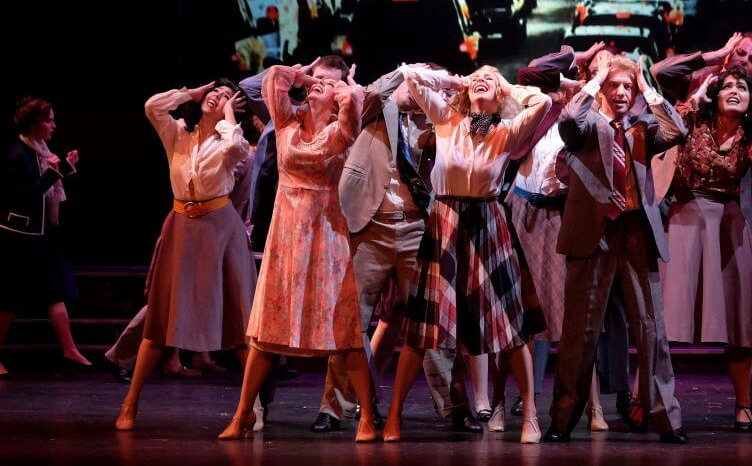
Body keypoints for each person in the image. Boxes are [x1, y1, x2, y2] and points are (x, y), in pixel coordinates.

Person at [382, 65, 551, 444]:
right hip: (445, 224)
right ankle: (394, 416)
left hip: (488, 224)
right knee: (423, 328)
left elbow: (542, 101)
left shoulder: (507, 131)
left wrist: (506, 86)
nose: (482, 79)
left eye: (491, 78)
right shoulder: (447, 119)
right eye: (478, 75)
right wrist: (452, 82)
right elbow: (410, 75)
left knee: (510, 328)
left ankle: (531, 415)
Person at [312, 66, 481, 434]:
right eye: (416, 84)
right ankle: (335, 407)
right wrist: (407, 73)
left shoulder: (440, 120)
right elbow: (374, 91)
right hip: (369, 227)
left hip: (417, 229)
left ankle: (454, 407)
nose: (417, 92)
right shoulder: (376, 107)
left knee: (433, 322)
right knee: (351, 320)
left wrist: (458, 96)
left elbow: (473, 140)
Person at [219, 64, 374, 440]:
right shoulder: (286, 122)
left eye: (328, 85)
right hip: (286, 237)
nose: (319, 85)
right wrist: (309, 78)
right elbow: (274, 78)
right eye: (316, 83)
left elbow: (356, 100)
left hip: (326, 236)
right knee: (265, 331)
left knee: (345, 332)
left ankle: (368, 417)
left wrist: (340, 89)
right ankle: (242, 414)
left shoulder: (341, 131)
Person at [545, 52, 688, 445]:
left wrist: (646, 88)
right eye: (615, 85)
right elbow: (568, 120)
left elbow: (676, 131)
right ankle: (562, 420)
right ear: (601, 89)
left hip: (636, 232)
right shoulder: (586, 126)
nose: (622, 92)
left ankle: (666, 417)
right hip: (593, 232)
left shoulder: (643, 128)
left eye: (627, 87)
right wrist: (596, 79)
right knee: (580, 330)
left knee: (652, 326)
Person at [652, 32, 752, 422]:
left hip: (730, 217)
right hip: (686, 212)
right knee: (669, 314)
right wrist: (715, 56)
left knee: (736, 313)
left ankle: (749, 399)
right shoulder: (700, 91)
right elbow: (661, 72)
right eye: (740, 53)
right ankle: (652, 400)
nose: (743, 61)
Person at [115, 80, 256, 430]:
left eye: (226, 95)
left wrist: (227, 115)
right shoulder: (178, 132)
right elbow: (152, 106)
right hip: (182, 227)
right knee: (162, 318)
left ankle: (248, 409)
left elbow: (237, 148)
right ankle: (130, 403)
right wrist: (190, 93)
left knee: (238, 320)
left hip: (220, 228)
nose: (217, 96)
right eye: (214, 91)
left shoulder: (228, 140)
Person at [504, 44, 608, 431]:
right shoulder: (539, 108)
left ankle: (593, 405)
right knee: (523, 312)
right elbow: (528, 73)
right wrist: (573, 62)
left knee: (571, 315)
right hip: (522, 210)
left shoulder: (587, 119)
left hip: (560, 215)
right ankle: (521, 398)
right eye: (564, 83)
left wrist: (586, 86)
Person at [0, 97, 85, 377]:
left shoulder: (38, 150)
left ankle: (69, 349)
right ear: (34, 124)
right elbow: (24, 195)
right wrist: (54, 172)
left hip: (40, 236)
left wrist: (65, 167)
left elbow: (45, 186)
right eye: (48, 120)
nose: (53, 125)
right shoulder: (18, 155)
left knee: (55, 291)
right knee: (9, 300)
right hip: (19, 238)